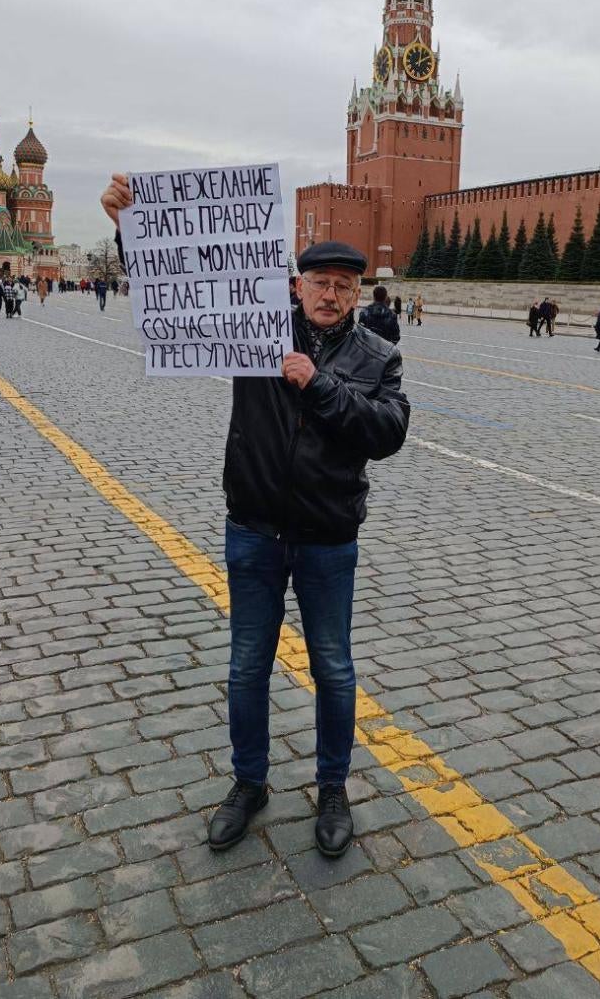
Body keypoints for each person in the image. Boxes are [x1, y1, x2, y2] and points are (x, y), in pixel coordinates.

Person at [102, 170, 409, 860]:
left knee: (333, 666)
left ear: (358, 293)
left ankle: (333, 788)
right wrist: (130, 225)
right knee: (247, 666)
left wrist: (318, 383)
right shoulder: (253, 328)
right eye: (318, 282)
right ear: (296, 286)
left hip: (329, 537)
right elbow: (180, 293)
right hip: (254, 531)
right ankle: (249, 782)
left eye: (343, 284)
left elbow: (387, 433)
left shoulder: (378, 356)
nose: (330, 295)